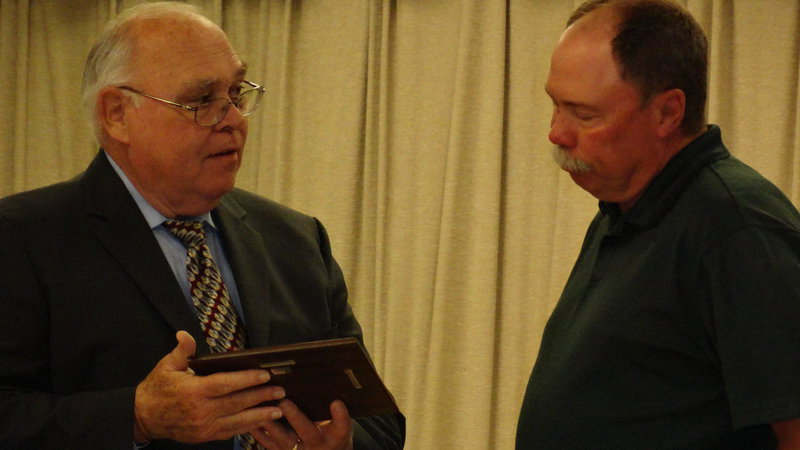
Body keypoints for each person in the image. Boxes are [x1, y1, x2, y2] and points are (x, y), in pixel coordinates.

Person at [0, 2, 404, 449]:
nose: (232, 119)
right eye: (201, 101)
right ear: (117, 113)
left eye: (236, 93)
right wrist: (136, 417)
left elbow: (381, 420)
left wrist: (343, 443)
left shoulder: (295, 240)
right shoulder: (22, 240)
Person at [516, 0, 800, 448]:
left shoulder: (737, 228)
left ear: (668, 112)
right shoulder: (623, 206)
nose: (556, 132)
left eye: (584, 114)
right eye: (555, 104)